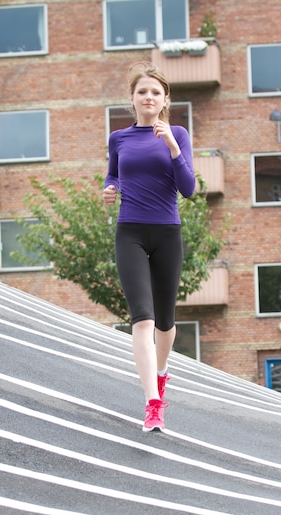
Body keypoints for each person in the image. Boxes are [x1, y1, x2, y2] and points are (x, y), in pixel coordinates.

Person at [103, 61, 195, 432]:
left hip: (167, 234)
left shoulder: (178, 134)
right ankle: (152, 402)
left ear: (164, 99)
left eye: (155, 92)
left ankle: (161, 372)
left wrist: (173, 146)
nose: (148, 97)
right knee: (142, 318)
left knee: (166, 321)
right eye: (142, 91)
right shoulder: (119, 138)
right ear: (133, 99)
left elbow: (188, 189)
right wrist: (110, 189)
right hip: (130, 232)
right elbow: (113, 173)